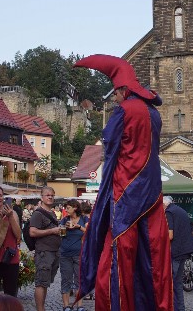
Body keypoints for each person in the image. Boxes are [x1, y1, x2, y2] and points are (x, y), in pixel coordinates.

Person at [70, 54, 172, 311]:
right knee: (151, 255)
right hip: (152, 190)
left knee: (118, 256)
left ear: (124, 89)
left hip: (126, 190)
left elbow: (110, 141)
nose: (115, 99)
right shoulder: (154, 114)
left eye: (115, 93)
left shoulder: (125, 110)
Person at [29, 186, 62, 311]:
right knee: (41, 283)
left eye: (52, 195)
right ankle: (40, 309)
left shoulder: (52, 212)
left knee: (45, 283)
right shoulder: (38, 213)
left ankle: (42, 308)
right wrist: (52, 231)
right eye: (47, 195)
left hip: (54, 251)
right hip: (44, 252)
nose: (50, 197)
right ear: (42, 197)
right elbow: (32, 232)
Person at [164, 195, 193, 311]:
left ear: (164, 204)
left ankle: (173, 308)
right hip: (184, 251)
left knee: (171, 283)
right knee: (178, 283)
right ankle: (180, 308)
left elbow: (170, 235)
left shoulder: (169, 212)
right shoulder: (180, 210)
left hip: (176, 251)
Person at [59, 199, 87, 311]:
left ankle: (79, 305)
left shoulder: (84, 219)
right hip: (65, 254)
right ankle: (66, 305)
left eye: (68, 208)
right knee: (66, 279)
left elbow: (90, 231)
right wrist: (64, 228)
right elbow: (61, 234)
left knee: (79, 279)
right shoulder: (64, 219)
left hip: (79, 254)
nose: (66, 210)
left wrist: (78, 226)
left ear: (75, 207)